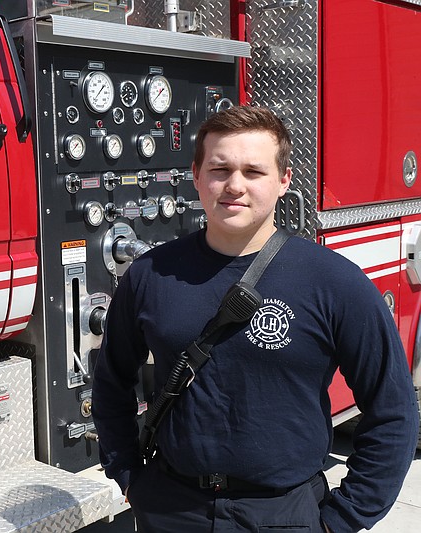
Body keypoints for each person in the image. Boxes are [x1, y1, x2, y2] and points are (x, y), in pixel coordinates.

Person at [91, 105, 419, 532]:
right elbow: (112, 380)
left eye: (254, 172)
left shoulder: (335, 283)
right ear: (195, 175)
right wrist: (129, 478)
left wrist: (340, 520)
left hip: (285, 515)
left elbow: (392, 410)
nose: (234, 186)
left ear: (284, 181)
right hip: (170, 508)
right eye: (219, 169)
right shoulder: (150, 275)